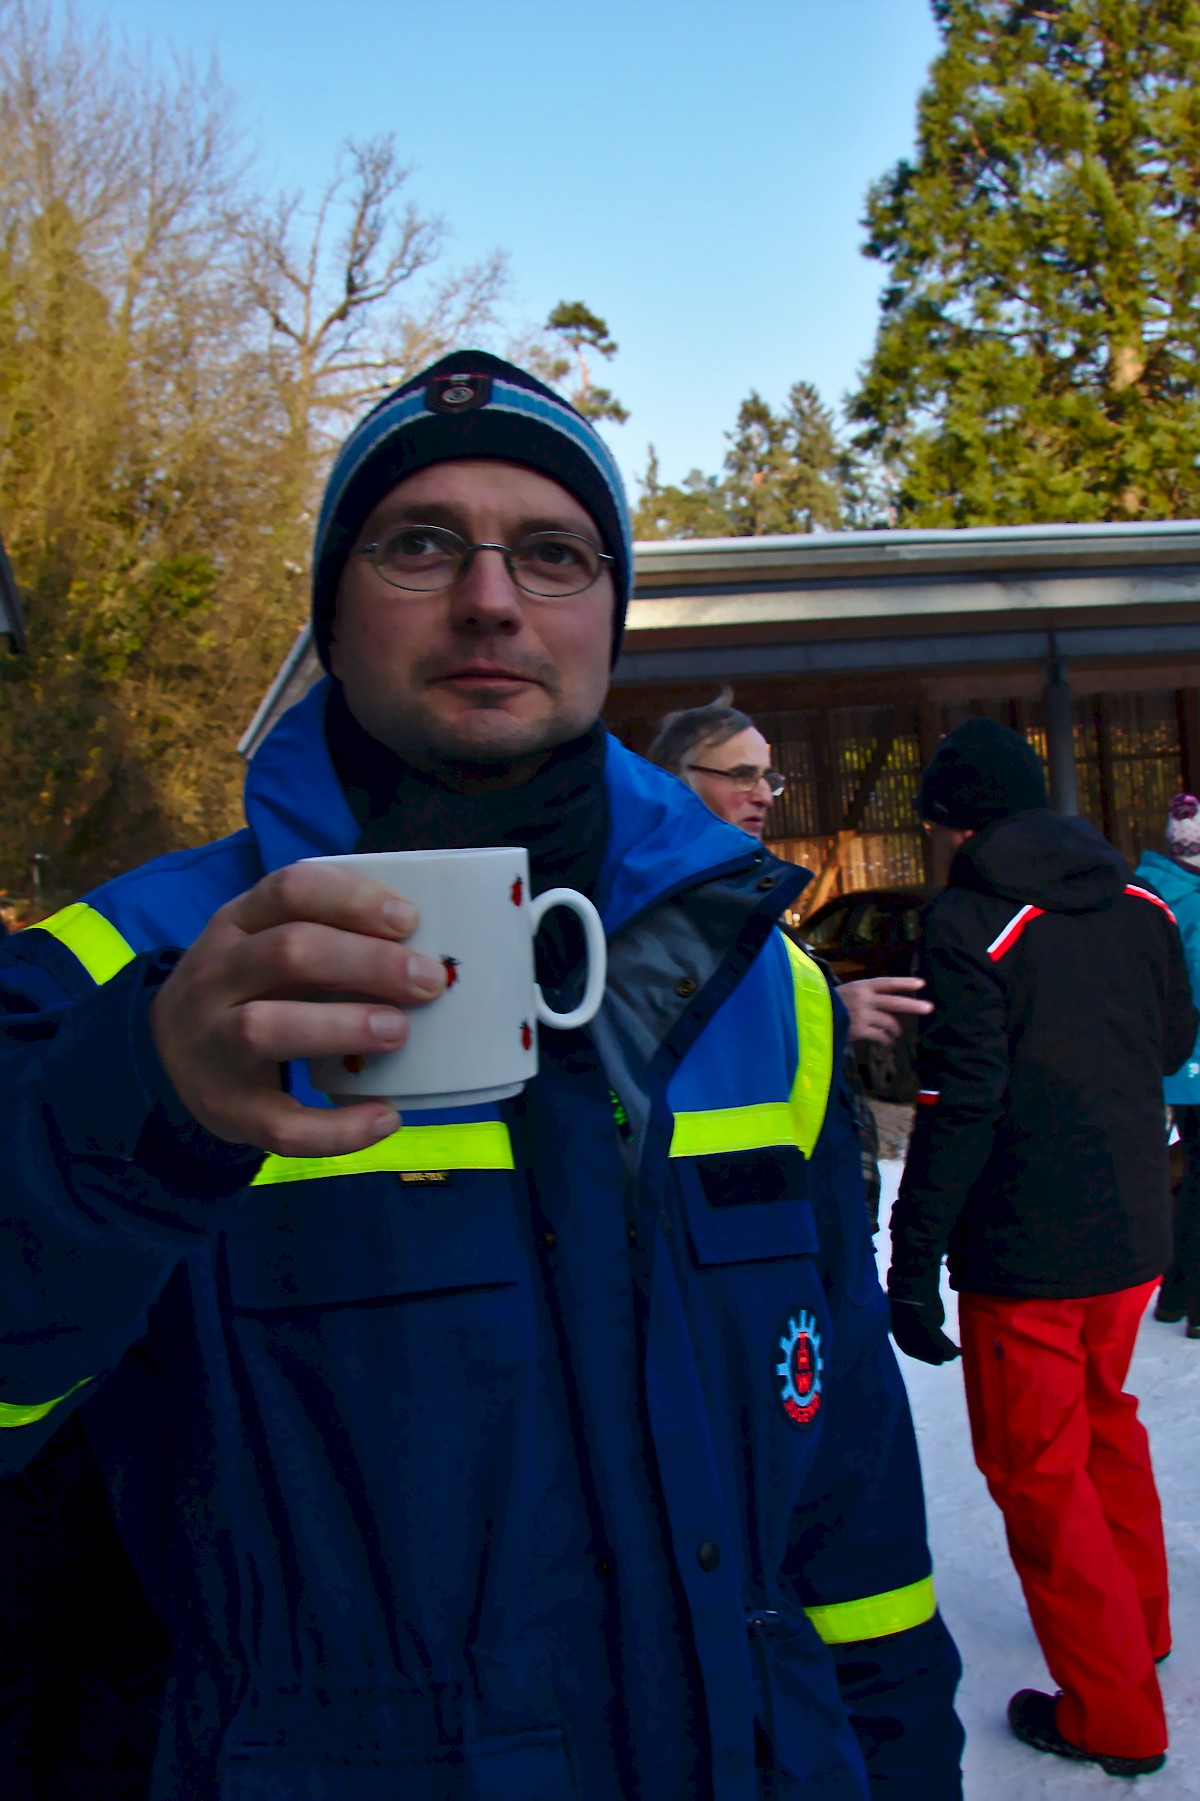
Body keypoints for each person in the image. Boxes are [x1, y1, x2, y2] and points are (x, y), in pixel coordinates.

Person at [0, 350, 963, 1799]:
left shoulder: (772, 995)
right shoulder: (105, 977)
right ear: (331, 611)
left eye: (555, 553)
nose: (493, 597)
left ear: (607, 623)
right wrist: (141, 1110)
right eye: (421, 542)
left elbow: (854, 1509)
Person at [887, 716, 1196, 1782]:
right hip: (1133, 1226)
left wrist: (911, 1257)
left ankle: (1115, 1714)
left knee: (1039, 1471)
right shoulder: (1142, 901)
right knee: (1106, 1425)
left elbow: (957, 1101)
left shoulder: (969, 920)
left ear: (961, 822)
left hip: (1029, 1248)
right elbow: (1173, 1043)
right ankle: (1140, 1629)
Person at [645, 697, 933, 1054]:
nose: (765, 796)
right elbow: (665, 1043)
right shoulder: (657, 903)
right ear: (677, 782)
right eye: (742, 776)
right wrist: (825, 1017)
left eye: (767, 778)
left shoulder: (745, 897)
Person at [1135, 793, 1200, 1339]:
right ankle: (1189, 1298)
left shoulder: (1149, 890)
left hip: (1171, 1058)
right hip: (1194, 1057)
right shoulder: (1192, 899)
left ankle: (1178, 1292)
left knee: (1192, 1170)